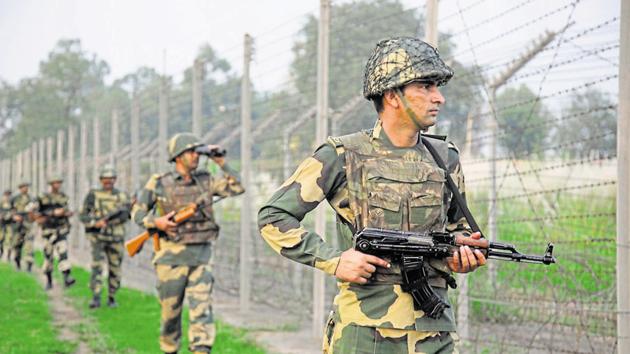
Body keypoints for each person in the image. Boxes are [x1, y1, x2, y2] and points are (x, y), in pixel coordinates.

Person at [258, 37, 486, 354]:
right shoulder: (343, 154)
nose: (439, 98)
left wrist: (462, 256)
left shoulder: (445, 158)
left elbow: (459, 230)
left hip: (435, 332)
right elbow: (273, 216)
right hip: (367, 332)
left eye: (437, 87)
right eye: (426, 86)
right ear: (392, 95)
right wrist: (334, 261)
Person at [131, 133, 244, 354]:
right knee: (170, 316)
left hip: (201, 257)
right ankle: (170, 349)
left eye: (197, 152)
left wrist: (220, 162)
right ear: (177, 156)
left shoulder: (206, 180)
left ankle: (201, 349)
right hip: (170, 260)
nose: (196, 156)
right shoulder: (159, 182)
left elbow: (238, 187)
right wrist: (157, 222)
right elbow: (137, 212)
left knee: (202, 313)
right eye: (191, 152)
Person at [80, 164, 131, 309]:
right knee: (97, 267)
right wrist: (95, 223)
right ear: (101, 180)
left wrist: (114, 220)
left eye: (111, 179)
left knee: (115, 268)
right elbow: (83, 214)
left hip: (116, 237)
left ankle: (112, 297)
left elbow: (127, 215)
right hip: (99, 238)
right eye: (105, 179)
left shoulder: (122, 196)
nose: (108, 182)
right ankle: (96, 296)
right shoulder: (93, 195)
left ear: (115, 179)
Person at [36, 175, 76, 289]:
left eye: (59, 183)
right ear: (51, 184)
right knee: (48, 256)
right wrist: (53, 213)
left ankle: (67, 277)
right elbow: (36, 213)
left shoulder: (64, 197)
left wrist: (65, 213)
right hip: (48, 231)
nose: (57, 185)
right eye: (55, 183)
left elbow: (68, 210)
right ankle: (49, 281)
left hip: (61, 230)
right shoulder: (43, 197)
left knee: (63, 253)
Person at [11, 181, 35, 272]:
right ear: (20, 188)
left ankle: (29, 265)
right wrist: (14, 216)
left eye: (26, 187)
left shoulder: (31, 199)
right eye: (23, 187)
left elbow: (35, 210)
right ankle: (17, 262)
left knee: (29, 244)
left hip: (28, 223)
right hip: (17, 225)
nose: (25, 188)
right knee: (17, 245)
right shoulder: (14, 199)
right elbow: (8, 210)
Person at [0, 189, 13, 260]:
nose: (7, 196)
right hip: (1, 223)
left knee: (9, 238)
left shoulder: (12, 203)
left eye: (9, 195)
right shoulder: (1, 202)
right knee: (1, 238)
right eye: (6, 195)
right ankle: (1, 252)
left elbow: (14, 210)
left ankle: (8, 256)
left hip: (9, 223)